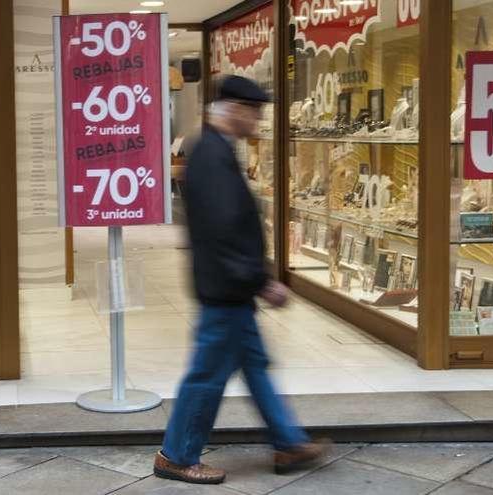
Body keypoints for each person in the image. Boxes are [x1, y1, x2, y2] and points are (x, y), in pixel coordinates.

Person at [153, 75, 329, 485]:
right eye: (254, 111)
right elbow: (222, 231)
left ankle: (287, 442)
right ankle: (176, 456)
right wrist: (259, 281)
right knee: (206, 376)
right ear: (233, 109)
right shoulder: (212, 155)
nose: (258, 120)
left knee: (256, 367)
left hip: (230, 287)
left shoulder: (216, 149)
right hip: (225, 290)